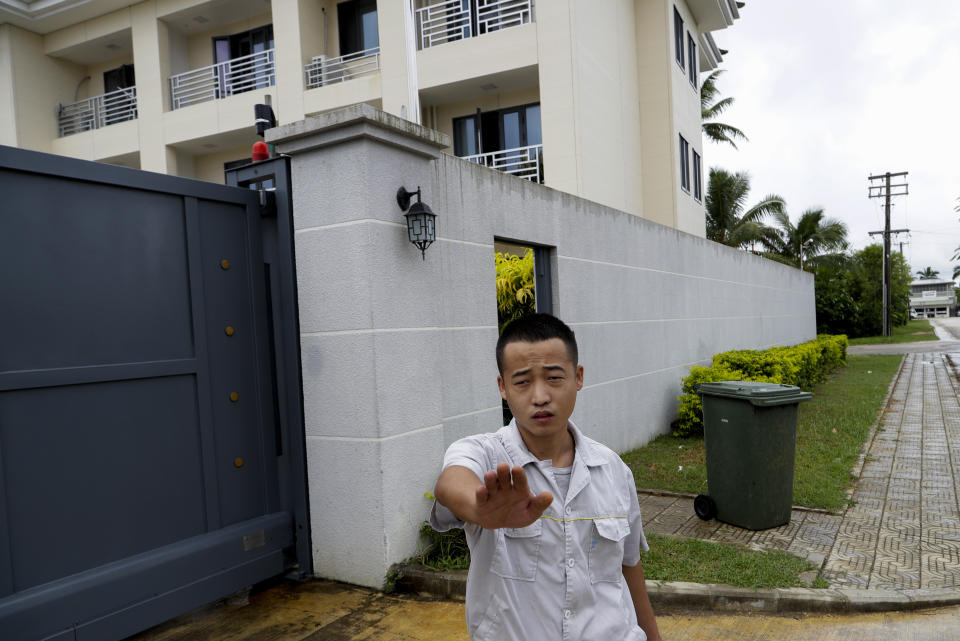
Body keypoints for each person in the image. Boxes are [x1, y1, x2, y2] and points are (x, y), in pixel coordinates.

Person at [430, 313, 661, 641]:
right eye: (522, 381)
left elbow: (628, 567)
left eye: (554, 378)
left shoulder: (613, 469)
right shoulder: (486, 456)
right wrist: (478, 508)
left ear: (578, 377)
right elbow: (452, 481)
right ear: (503, 387)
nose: (539, 396)